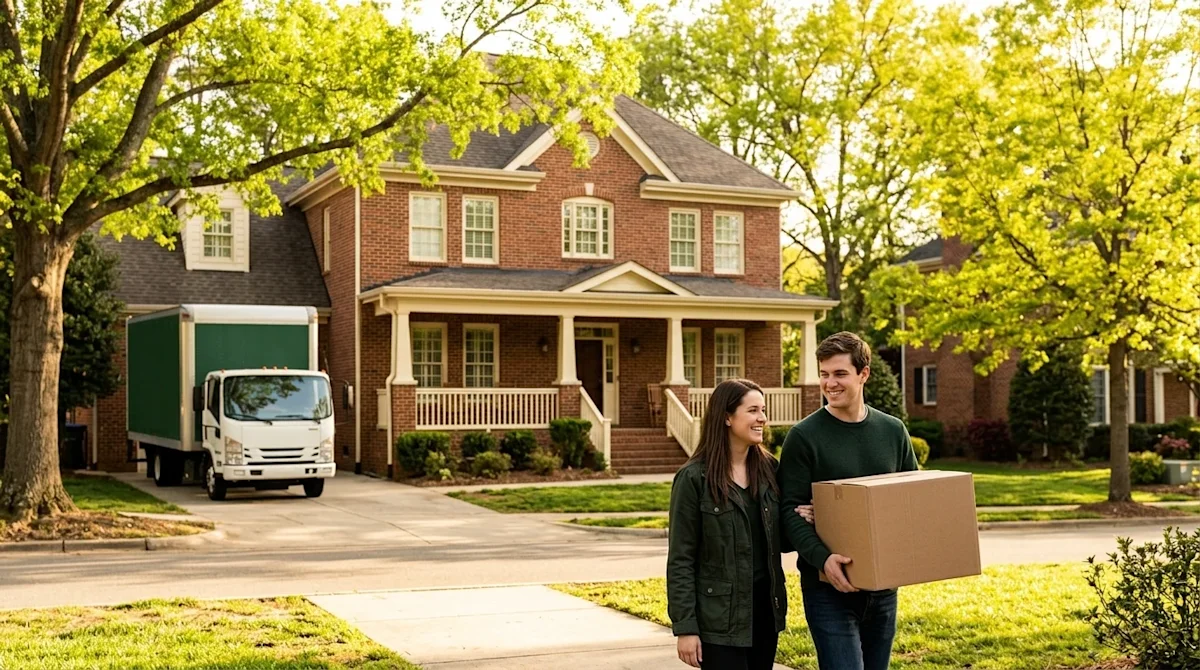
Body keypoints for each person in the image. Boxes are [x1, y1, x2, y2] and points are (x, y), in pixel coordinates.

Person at [778, 332, 918, 670]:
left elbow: (912, 499)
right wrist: (823, 559)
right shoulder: (803, 437)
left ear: (863, 374)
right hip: (827, 588)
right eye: (824, 374)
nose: (830, 383)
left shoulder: (893, 431)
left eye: (840, 374)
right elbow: (789, 511)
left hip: (883, 586)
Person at [666, 378, 789, 669]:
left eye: (763, 409)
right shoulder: (694, 478)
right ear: (726, 417)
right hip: (718, 617)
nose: (762, 418)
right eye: (753, 410)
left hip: (764, 612)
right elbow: (681, 558)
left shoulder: (770, 470)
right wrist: (685, 627)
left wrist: (803, 518)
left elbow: (782, 541)